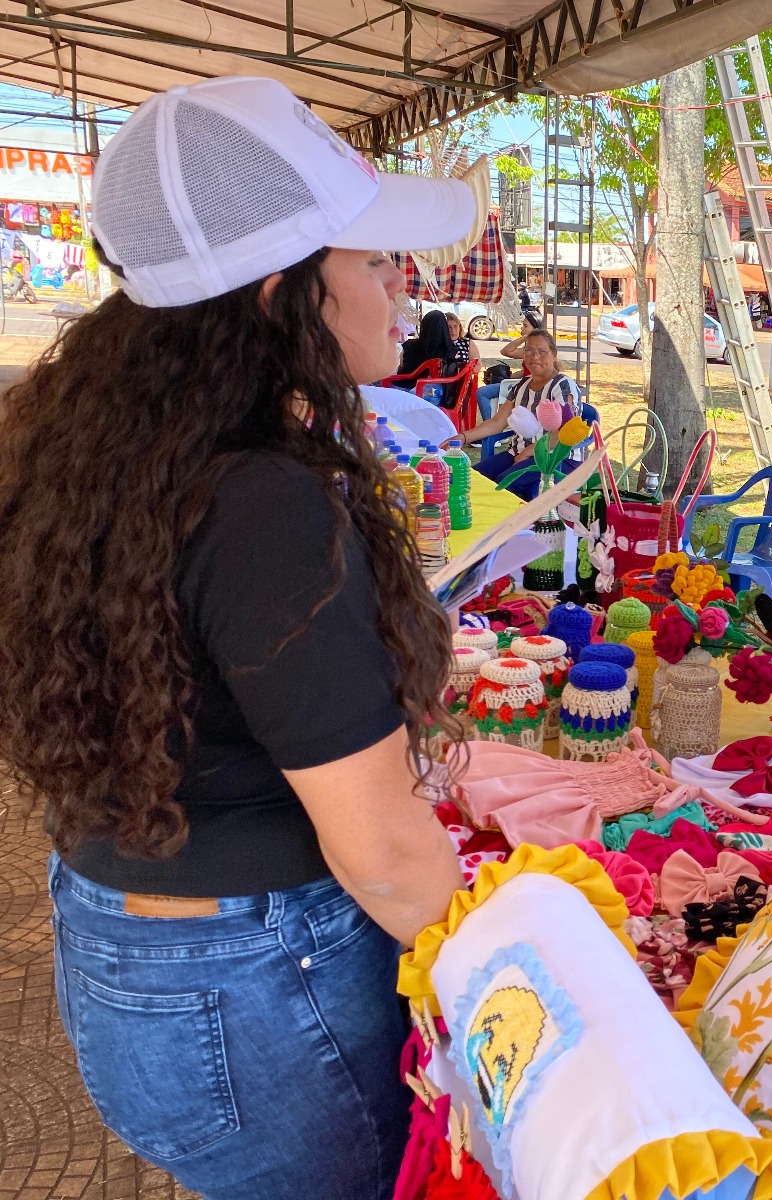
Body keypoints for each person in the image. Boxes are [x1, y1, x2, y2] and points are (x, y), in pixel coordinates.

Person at [0, 76, 476, 1197]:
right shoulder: (268, 501)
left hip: (132, 951)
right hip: (253, 982)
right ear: (282, 292)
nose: (400, 289)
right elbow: (385, 856)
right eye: (371, 261)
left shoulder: (92, 447)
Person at [459, 328, 597, 500]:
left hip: (556, 459)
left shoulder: (563, 386)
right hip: (518, 452)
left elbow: (565, 433)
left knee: (505, 484)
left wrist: (529, 452)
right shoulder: (521, 386)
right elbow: (497, 423)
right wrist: (462, 438)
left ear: (553, 355)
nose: (535, 357)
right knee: (473, 478)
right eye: (529, 350)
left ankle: (511, 525)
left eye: (542, 351)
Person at [474, 313, 542, 421]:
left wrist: (525, 338)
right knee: (486, 390)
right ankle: (490, 426)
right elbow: (506, 352)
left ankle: (489, 425)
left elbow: (507, 352)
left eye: (525, 326)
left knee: (482, 393)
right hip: (520, 384)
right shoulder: (527, 349)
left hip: (526, 387)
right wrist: (507, 378)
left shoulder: (537, 350)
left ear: (535, 329)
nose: (522, 328)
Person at [396, 309, 461, 380]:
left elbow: (401, 365)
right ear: (444, 329)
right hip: (433, 388)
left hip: (404, 385)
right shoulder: (450, 349)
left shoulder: (409, 344)